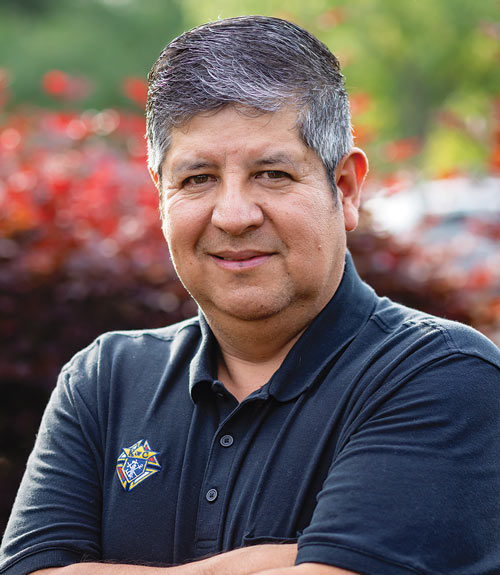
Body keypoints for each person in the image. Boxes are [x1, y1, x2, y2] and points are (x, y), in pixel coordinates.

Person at [1, 15, 500, 575]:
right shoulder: (104, 382)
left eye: (272, 174)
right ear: (161, 200)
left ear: (346, 190)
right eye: (198, 179)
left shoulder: (441, 376)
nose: (234, 216)